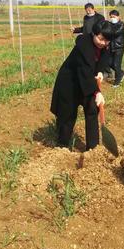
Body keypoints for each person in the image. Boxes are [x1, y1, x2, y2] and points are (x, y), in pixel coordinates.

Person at [50, 20, 111, 151]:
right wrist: (97, 92)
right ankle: (62, 146)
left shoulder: (104, 46)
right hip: (70, 83)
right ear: (94, 33)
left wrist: (100, 71)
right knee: (67, 114)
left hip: (87, 82)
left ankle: (93, 149)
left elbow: (104, 58)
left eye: (107, 41)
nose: (103, 43)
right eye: (101, 39)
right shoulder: (84, 44)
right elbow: (84, 70)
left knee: (92, 110)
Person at [104, 9, 124, 88]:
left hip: (119, 47)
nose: (112, 18)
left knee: (116, 64)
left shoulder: (121, 25)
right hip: (111, 46)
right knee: (108, 62)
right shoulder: (110, 24)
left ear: (118, 17)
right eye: (111, 17)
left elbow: (115, 33)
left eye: (114, 17)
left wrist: (107, 30)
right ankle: (121, 72)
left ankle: (117, 82)